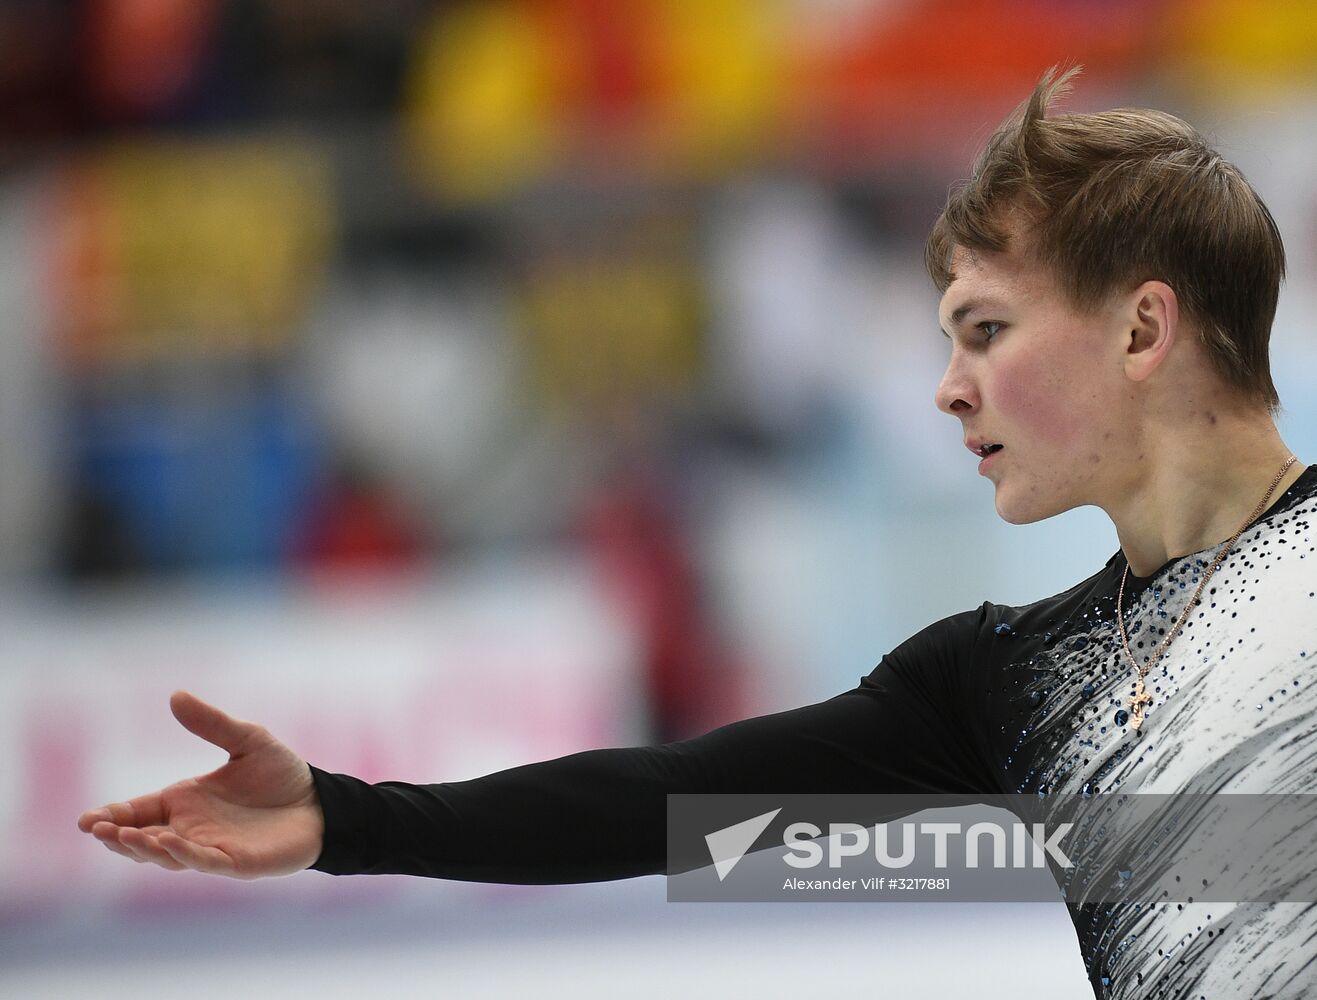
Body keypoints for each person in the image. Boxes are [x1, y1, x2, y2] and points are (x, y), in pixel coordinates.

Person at [77, 66, 1316, 999]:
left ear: (1142, 332)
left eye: (985, 330)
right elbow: (671, 807)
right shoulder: (1004, 679)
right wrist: (345, 820)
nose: (946, 385)